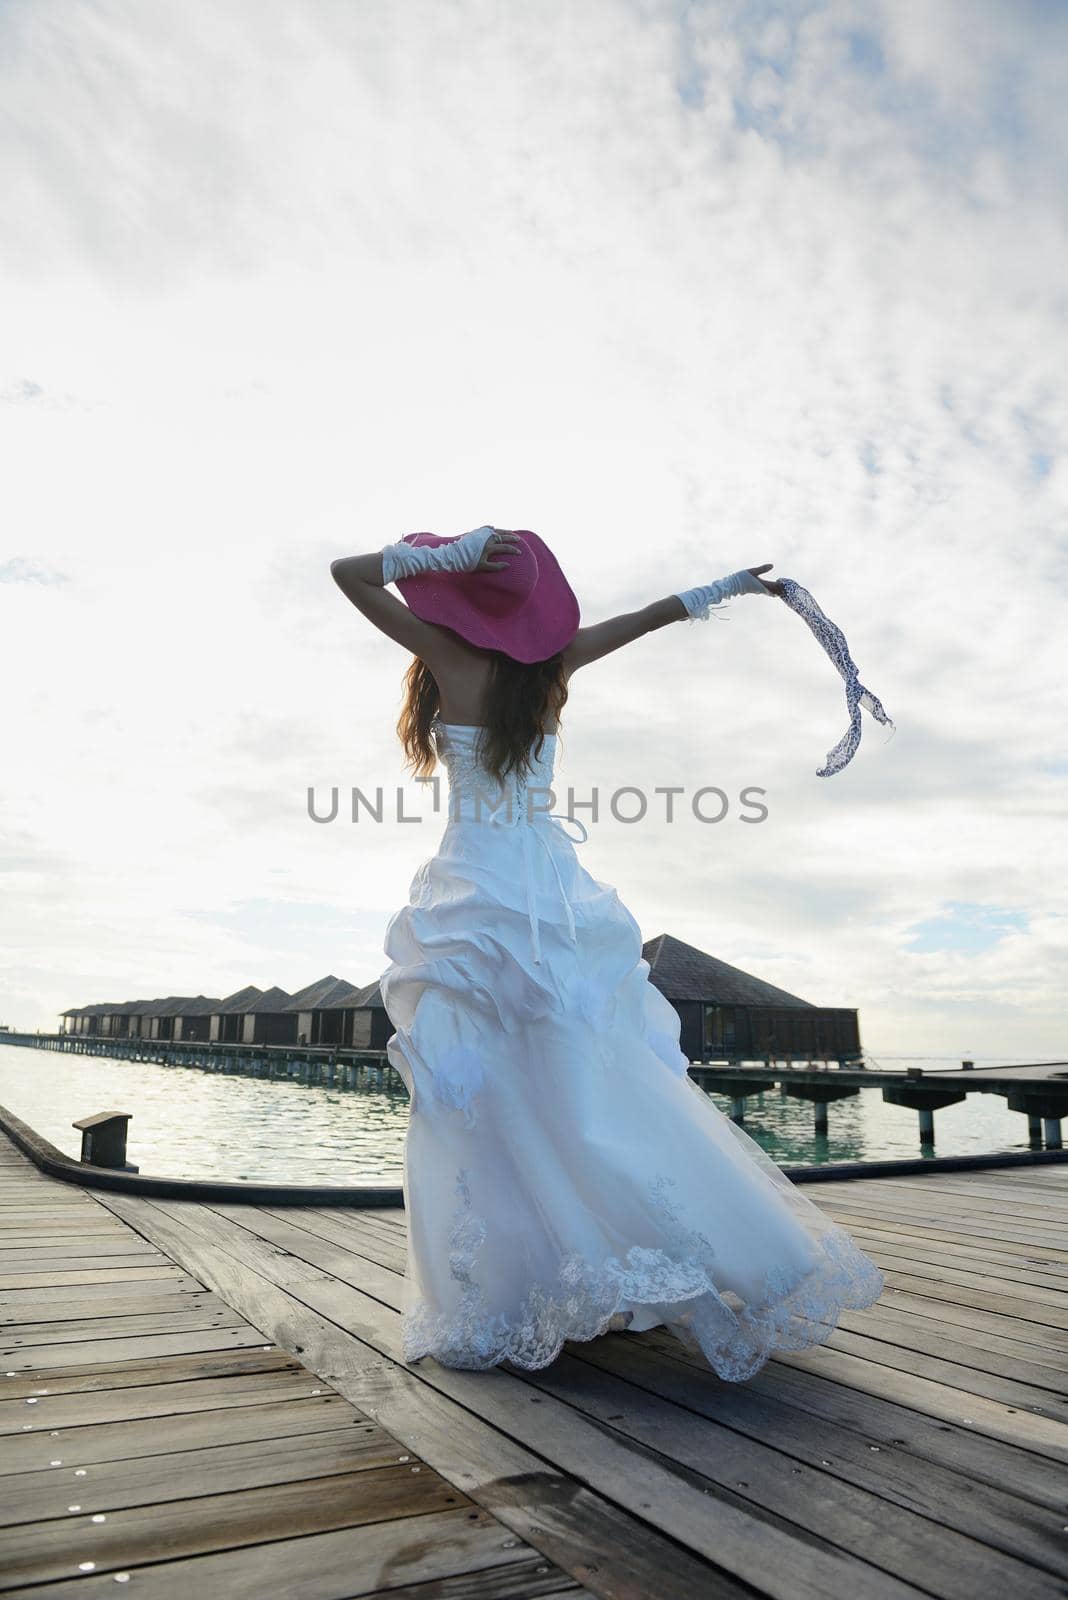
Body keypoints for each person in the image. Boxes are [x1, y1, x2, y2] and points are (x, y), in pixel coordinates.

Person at [329, 526, 885, 1379]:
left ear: (471, 604)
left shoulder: (449, 657)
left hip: (476, 891)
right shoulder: (552, 671)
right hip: (548, 892)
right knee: (589, 1078)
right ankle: (609, 1262)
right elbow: (649, 618)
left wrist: (453, 553)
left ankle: (524, 1288)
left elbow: (348, 574)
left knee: (475, 1097)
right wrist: (728, 587)